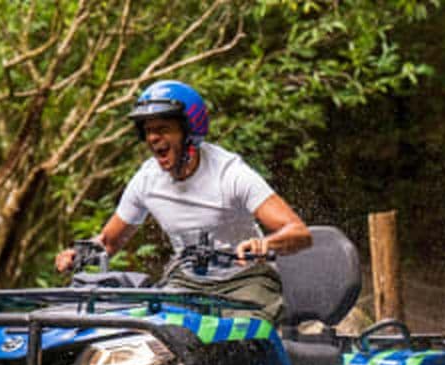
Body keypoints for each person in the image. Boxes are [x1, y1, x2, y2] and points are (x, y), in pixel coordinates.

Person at [55, 80, 311, 322]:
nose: (153, 138)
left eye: (162, 129)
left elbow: (299, 233)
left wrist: (265, 243)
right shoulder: (146, 180)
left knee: (238, 339)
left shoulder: (230, 174)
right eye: (148, 131)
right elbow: (110, 242)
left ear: (190, 132)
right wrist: (80, 254)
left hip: (245, 281)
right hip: (186, 282)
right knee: (154, 335)